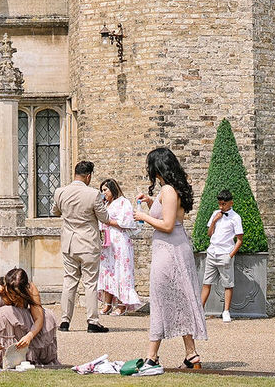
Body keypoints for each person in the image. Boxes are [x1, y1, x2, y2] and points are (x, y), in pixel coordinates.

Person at [133, 146, 204, 372]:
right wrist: (150, 202)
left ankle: (152, 357)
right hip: (170, 247)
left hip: (170, 250)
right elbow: (166, 213)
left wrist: (143, 216)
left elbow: (168, 224)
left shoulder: (169, 190)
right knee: (177, 299)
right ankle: (191, 354)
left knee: (161, 299)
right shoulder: (168, 190)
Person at [51, 158, 111, 333]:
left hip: (69, 243)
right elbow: (105, 218)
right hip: (88, 244)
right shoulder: (93, 194)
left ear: (75, 173)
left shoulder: (60, 192)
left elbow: (54, 211)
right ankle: (92, 322)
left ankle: (64, 321)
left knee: (69, 281)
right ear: (88, 176)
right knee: (90, 283)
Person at [0, 267, 60, 368]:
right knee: (7, 312)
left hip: (22, 324)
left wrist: (29, 336)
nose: (14, 298)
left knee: (47, 316)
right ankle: (5, 357)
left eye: (19, 296)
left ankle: (29, 355)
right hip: (0, 326)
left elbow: (39, 318)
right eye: (12, 294)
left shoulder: (30, 289)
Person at [96, 177, 141, 317]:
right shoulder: (105, 204)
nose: (104, 193)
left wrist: (108, 221)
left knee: (121, 271)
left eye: (105, 190)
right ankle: (107, 304)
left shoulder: (123, 202)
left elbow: (127, 221)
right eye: (102, 190)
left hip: (120, 241)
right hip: (107, 242)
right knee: (107, 271)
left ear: (112, 189)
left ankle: (122, 305)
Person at [199, 189, 244, 323]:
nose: (221, 206)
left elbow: (239, 240)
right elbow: (209, 234)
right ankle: (199, 311)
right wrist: (214, 221)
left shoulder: (235, 218)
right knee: (206, 282)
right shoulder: (215, 214)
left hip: (225, 254)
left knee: (228, 284)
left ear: (231, 203)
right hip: (212, 252)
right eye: (219, 204)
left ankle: (226, 311)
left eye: (223, 204)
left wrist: (230, 256)